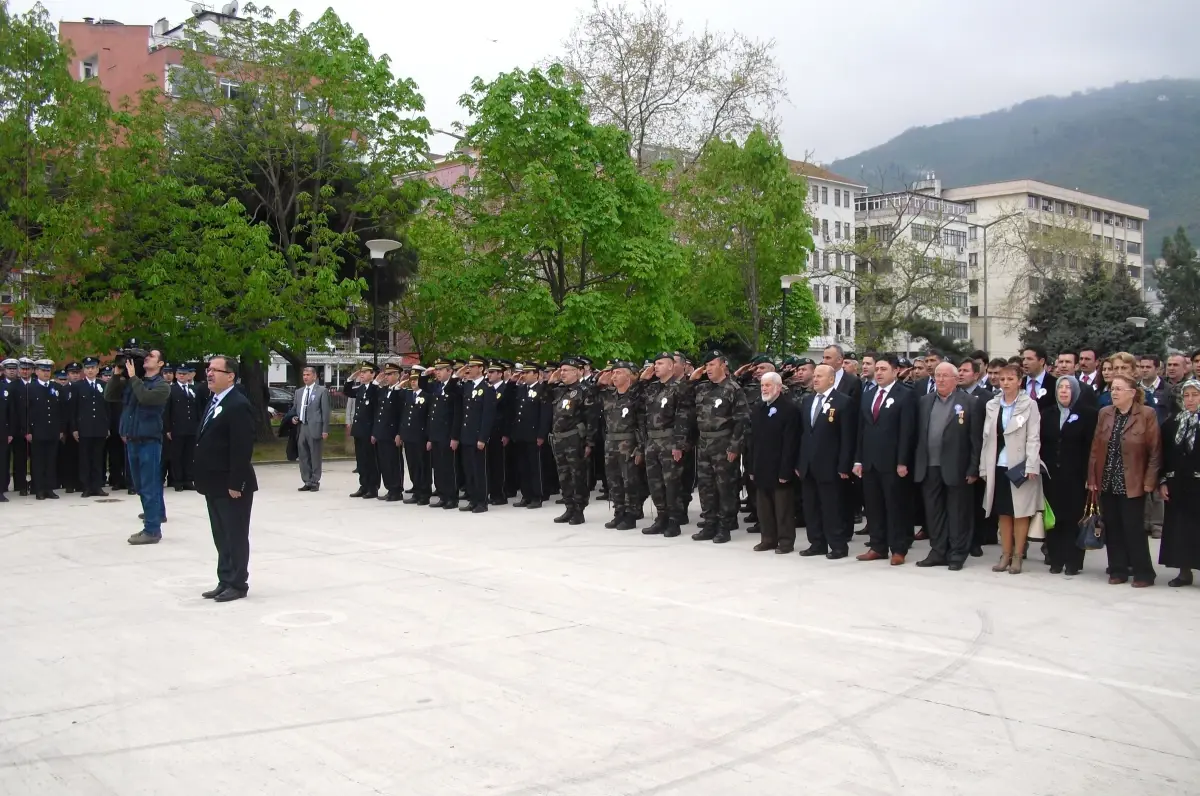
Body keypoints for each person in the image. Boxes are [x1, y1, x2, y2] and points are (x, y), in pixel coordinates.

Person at [1087, 375, 1162, 587]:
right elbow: (1095, 448)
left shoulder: (1147, 414)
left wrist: (1150, 480)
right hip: (1108, 479)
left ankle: (1143, 573)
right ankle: (1117, 569)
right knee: (1113, 527)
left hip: (1133, 481)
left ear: (1132, 392)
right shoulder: (1105, 414)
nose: (1114, 392)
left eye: (1119, 389)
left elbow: (1155, 451)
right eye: (1112, 388)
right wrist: (1092, 477)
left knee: (1134, 528)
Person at [194, 356, 258, 603]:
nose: (209, 374)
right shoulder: (216, 401)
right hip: (214, 483)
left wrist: (236, 483)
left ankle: (238, 583)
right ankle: (225, 579)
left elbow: (242, 448)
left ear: (230, 375)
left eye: (215, 370)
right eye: (208, 370)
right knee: (221, 535)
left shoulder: (237, 404)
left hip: (232, 485)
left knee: (235, 534)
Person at [914, 362, 984, 570]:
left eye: (946, 376)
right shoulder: (925, 401)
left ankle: (957, 554)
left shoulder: (970, 402)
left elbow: (976, 440)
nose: (941, 380)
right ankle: (938, 551)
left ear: (955, 379)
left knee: (957, 513)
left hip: (957, 468)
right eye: (938, 376)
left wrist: (973, 468)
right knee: (934, 513)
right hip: (929, 466)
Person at [980, 363, 1043, 574]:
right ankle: (1005, 554)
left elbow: (1034, 437)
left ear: (1019, 381)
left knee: (1020, 512)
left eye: (1010, 379)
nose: (1005, 383)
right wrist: (983, 467)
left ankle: (1018, 555)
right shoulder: (993, 404)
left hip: (1020, 465)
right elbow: (986, 438)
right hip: (997, 464)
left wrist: (1032, 463)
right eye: (1002, 379)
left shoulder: (1029, 404)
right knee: (1003, 512)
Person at [854, 354, 917, 565]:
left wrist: (902, 461)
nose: (879, 373)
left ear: (896, 371)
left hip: (892, 463)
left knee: (895, 506)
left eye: (883, 369)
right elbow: (861, 429)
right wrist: (858, 460)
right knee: (873, 507)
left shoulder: (905, 395)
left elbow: (907, 431)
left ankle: (898, 548)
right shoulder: (868, 394)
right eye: (877, 369)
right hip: (870, 461)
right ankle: (877, 546)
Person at [105, 349, 171, 542]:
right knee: (141, 486)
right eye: (147, 356)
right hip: (132, 440)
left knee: (149, 485)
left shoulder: (161, 386)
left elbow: (146, 398)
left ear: (160, 364)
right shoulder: (134, 382)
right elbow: (109, 395)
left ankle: (152, 530)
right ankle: (153, 518)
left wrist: (133, 377)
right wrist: (117, 373)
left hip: (149, 441)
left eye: (152, 356)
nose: (147, 358)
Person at [688, 351, 749, 544]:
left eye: (712, 365)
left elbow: (742, 420)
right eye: (706, 366)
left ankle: (725, 526)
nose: (708, 369)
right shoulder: (702, 388)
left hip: (723, 444)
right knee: (706, 487)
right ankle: (709, 524)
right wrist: (691, 380)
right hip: (704, 444)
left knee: (725, 486)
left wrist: (734, 447)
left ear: (724, 365)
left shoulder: (733, 388)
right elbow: (681, 399)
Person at [795, 364, 855, 559]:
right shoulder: (808, 400)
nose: (816, 379)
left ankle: (838, 545)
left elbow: (847, 437)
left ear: (831, 379)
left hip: (831, 465)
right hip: (808, 465)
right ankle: (817, 543)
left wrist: (844, 464)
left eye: (820, 376)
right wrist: (799, 462)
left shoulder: (843, 402)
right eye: (815, 376)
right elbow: (804, 434)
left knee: (832, 508)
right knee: (811, 508)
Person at [1040, 375, 1097, 576]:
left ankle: (1073, 561)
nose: (1063, 391)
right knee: (1054, 518)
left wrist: (1090, 477)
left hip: (1076, 475)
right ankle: (1055, 559)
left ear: (1076, 391)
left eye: (1068, 388)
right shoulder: (1048, 414)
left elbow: (1092, 448)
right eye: (1060, 388)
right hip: (1051, 475)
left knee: (1074, 518)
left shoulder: (1088, 414)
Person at [748, 372, 799, 553]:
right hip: (762, 466)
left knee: (783, 508)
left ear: (778, 387)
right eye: (762, 385)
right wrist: (751, 466)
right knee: (764, 508)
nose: (764, 389)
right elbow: (752, 440)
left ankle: (785, 541)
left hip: (779, 467)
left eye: (768, 385)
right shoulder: (758, 408)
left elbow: (790, 443)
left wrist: (786, 470)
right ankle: (768, 538)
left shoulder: (789, 409)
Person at [639, 352, 689, 535]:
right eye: (655, 363)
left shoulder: (679, 388)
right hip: (652, 441)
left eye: (660, 363)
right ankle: (661, 517)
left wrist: (678, 444)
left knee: (672, 482)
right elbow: (635, 400)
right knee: (655, 482)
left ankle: (674, 520)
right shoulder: (652, 388)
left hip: (669, 441)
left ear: (671, 366)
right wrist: (642, 380)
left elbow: (682, 418)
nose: (656, 366)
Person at [1158, 379, 1200, 587]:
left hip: (1197, 482)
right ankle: (1184, 572)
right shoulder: (1173, 422)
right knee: (1181, 529)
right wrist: (1163, 481)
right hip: (1178, 483)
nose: (1190, 400)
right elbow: (1163, 454)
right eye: (1187, 395)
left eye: (1195, 395)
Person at [547, 357, 599, 524]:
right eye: (561, 370)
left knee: (578, 475)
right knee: (564, 476)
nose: (562, 373)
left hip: (575, 439)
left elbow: (591, 419)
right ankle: (569, 507)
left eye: (566, 370)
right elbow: (542, 397)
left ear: (578, 371)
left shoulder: (585, 390)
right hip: (559, 439)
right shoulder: (559, 390)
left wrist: (590, 442)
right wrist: (550, 382)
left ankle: (579, 509)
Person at [598, 361, 644, 531]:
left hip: (628, 443)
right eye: (613, 373)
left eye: (618, 373)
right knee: (613, 480)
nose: (614, 376)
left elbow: (642, 425)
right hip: (610, 443)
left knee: (629, 481)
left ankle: (631, 515)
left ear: (628, 375)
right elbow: (589, 394)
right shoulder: (609, 397)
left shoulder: (635, 398)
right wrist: (600, 381)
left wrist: (640, 447)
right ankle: (619, 512)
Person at [508, 363, 550, 510]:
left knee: (535, 467)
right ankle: (526, 495)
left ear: (537, 374)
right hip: (520, 434)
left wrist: (541, 434)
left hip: (533, 435)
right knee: (523, 467)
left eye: (527, 373)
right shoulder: (521, 389)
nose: (523, 375)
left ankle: (537, 496)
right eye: (523, 373)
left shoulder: (542, 390)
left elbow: (544, 415)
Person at [457, 357, 495, 513]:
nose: (469, 369)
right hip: (466, 435)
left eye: (472, 367)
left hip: (478, 436)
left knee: (479, 470)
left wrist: (482, 438)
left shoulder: (487, 388)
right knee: (469, 470)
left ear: (481, 369)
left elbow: (488, 416)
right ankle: (472, 499)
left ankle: (481, 501)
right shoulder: (468, 386)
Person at [425, 358, 462, 509]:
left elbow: (457, 415)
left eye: (441, 370)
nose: (437, 373)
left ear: (450, 371)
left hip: (448, 435)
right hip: (436, 434)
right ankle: (442, 495)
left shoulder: (455, 388)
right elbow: (432, 414)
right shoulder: (436, 387)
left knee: (449, 468)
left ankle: (452, 498)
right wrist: (425, 374)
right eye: (437, 370)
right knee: (438, 467)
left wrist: (454, 436)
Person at [71, 356, 110, 497]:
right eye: (87, 368)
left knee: (98, 458)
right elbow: (73, 409)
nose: (90, 370)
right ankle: (86, 486)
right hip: (84, 428)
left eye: (93, 368)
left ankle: (97, 486)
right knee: (85, 458)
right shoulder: (77, 386)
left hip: (99, 427)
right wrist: (74, 428)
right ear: (84, 370)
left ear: (97, 369)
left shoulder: (104, 385)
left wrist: (107, 427)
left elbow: (107, 408)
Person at [345, 363, 381, 499]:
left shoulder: (376, 389)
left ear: (372, 375)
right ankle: (363, 485)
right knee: (361, 461)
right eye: (361, 372)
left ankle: (373, 487)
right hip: (359, 430)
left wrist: (375, 432)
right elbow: (347, 392)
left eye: (365, 372)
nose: (362, 374)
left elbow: (376, 412)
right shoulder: (360, 389)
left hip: (369, 431)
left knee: (371, 461)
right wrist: (350, 378)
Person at [292, 366, 331, 492]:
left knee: (315, 455)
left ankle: (315, 480)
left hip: (315, 427)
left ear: (314, 376)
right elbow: (295, 409)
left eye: (308, 375)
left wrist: (325, 429)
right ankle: (306, 480)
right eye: (304, 375)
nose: (305, 377)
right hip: (302, 426)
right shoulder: (299, 392)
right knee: (303, 455)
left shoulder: (321, 391)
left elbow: (325, 412)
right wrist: (294, 417)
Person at [373, 362, 405, 502]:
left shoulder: (401, 391)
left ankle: (397, 489)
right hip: (382, 432)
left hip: (393, 433)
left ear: (398, 375)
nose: (387, 377)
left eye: (390, 374)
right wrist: (375, 432)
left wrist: (399, 433)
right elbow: (378, 413)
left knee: (394, 462)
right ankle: (389, 488)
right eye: (386, 374)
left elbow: (401, 414)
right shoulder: (383, 390)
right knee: (384, 462)